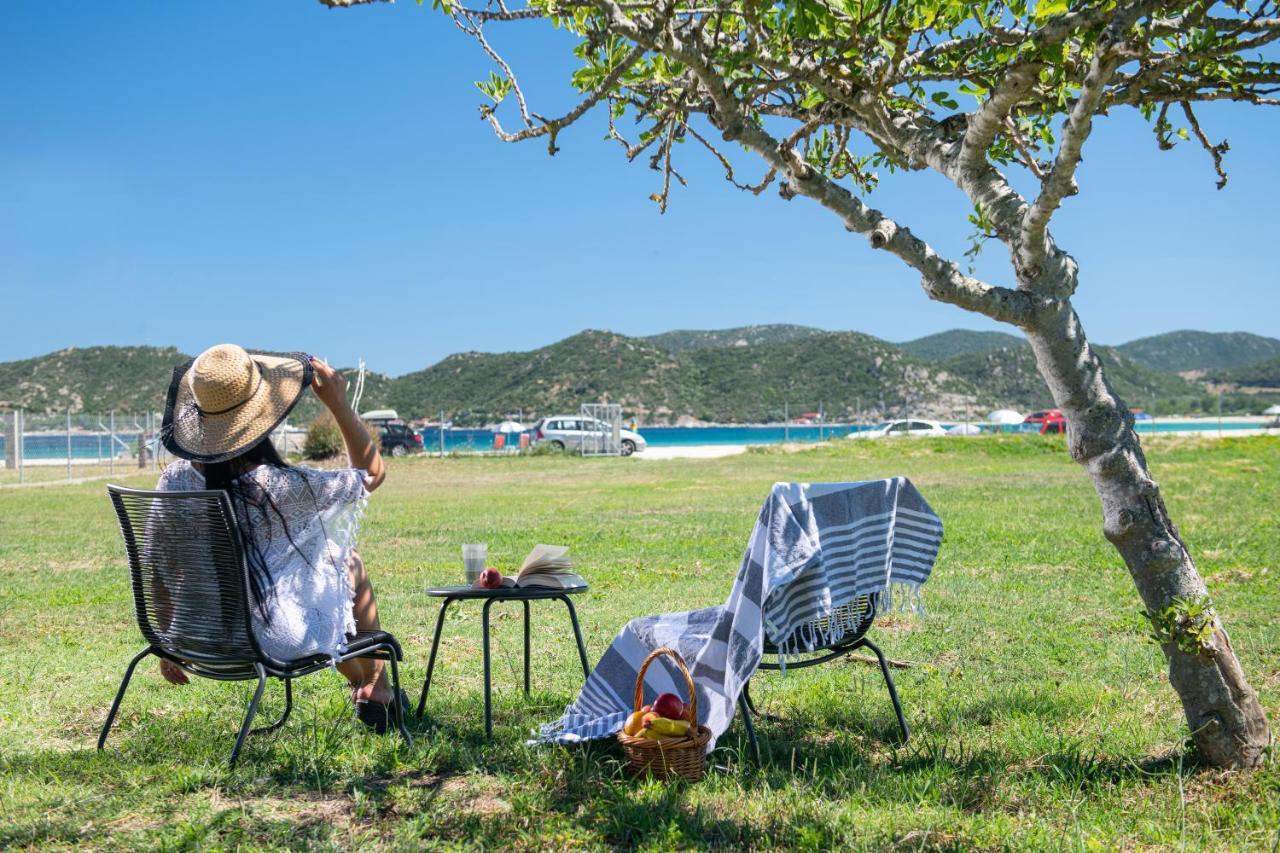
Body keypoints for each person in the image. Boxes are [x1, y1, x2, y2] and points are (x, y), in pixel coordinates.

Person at [155, 343, 404, 732]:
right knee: (347, 561)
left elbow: (160, 567)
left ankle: (365, 684)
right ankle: (377, 688)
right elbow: (371, 473)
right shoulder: (278, 485)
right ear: (262, 414)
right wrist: (337, 403)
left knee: (329, 572)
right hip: (271, 641)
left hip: (196, 639)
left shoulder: (173, 481)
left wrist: (168, 640)